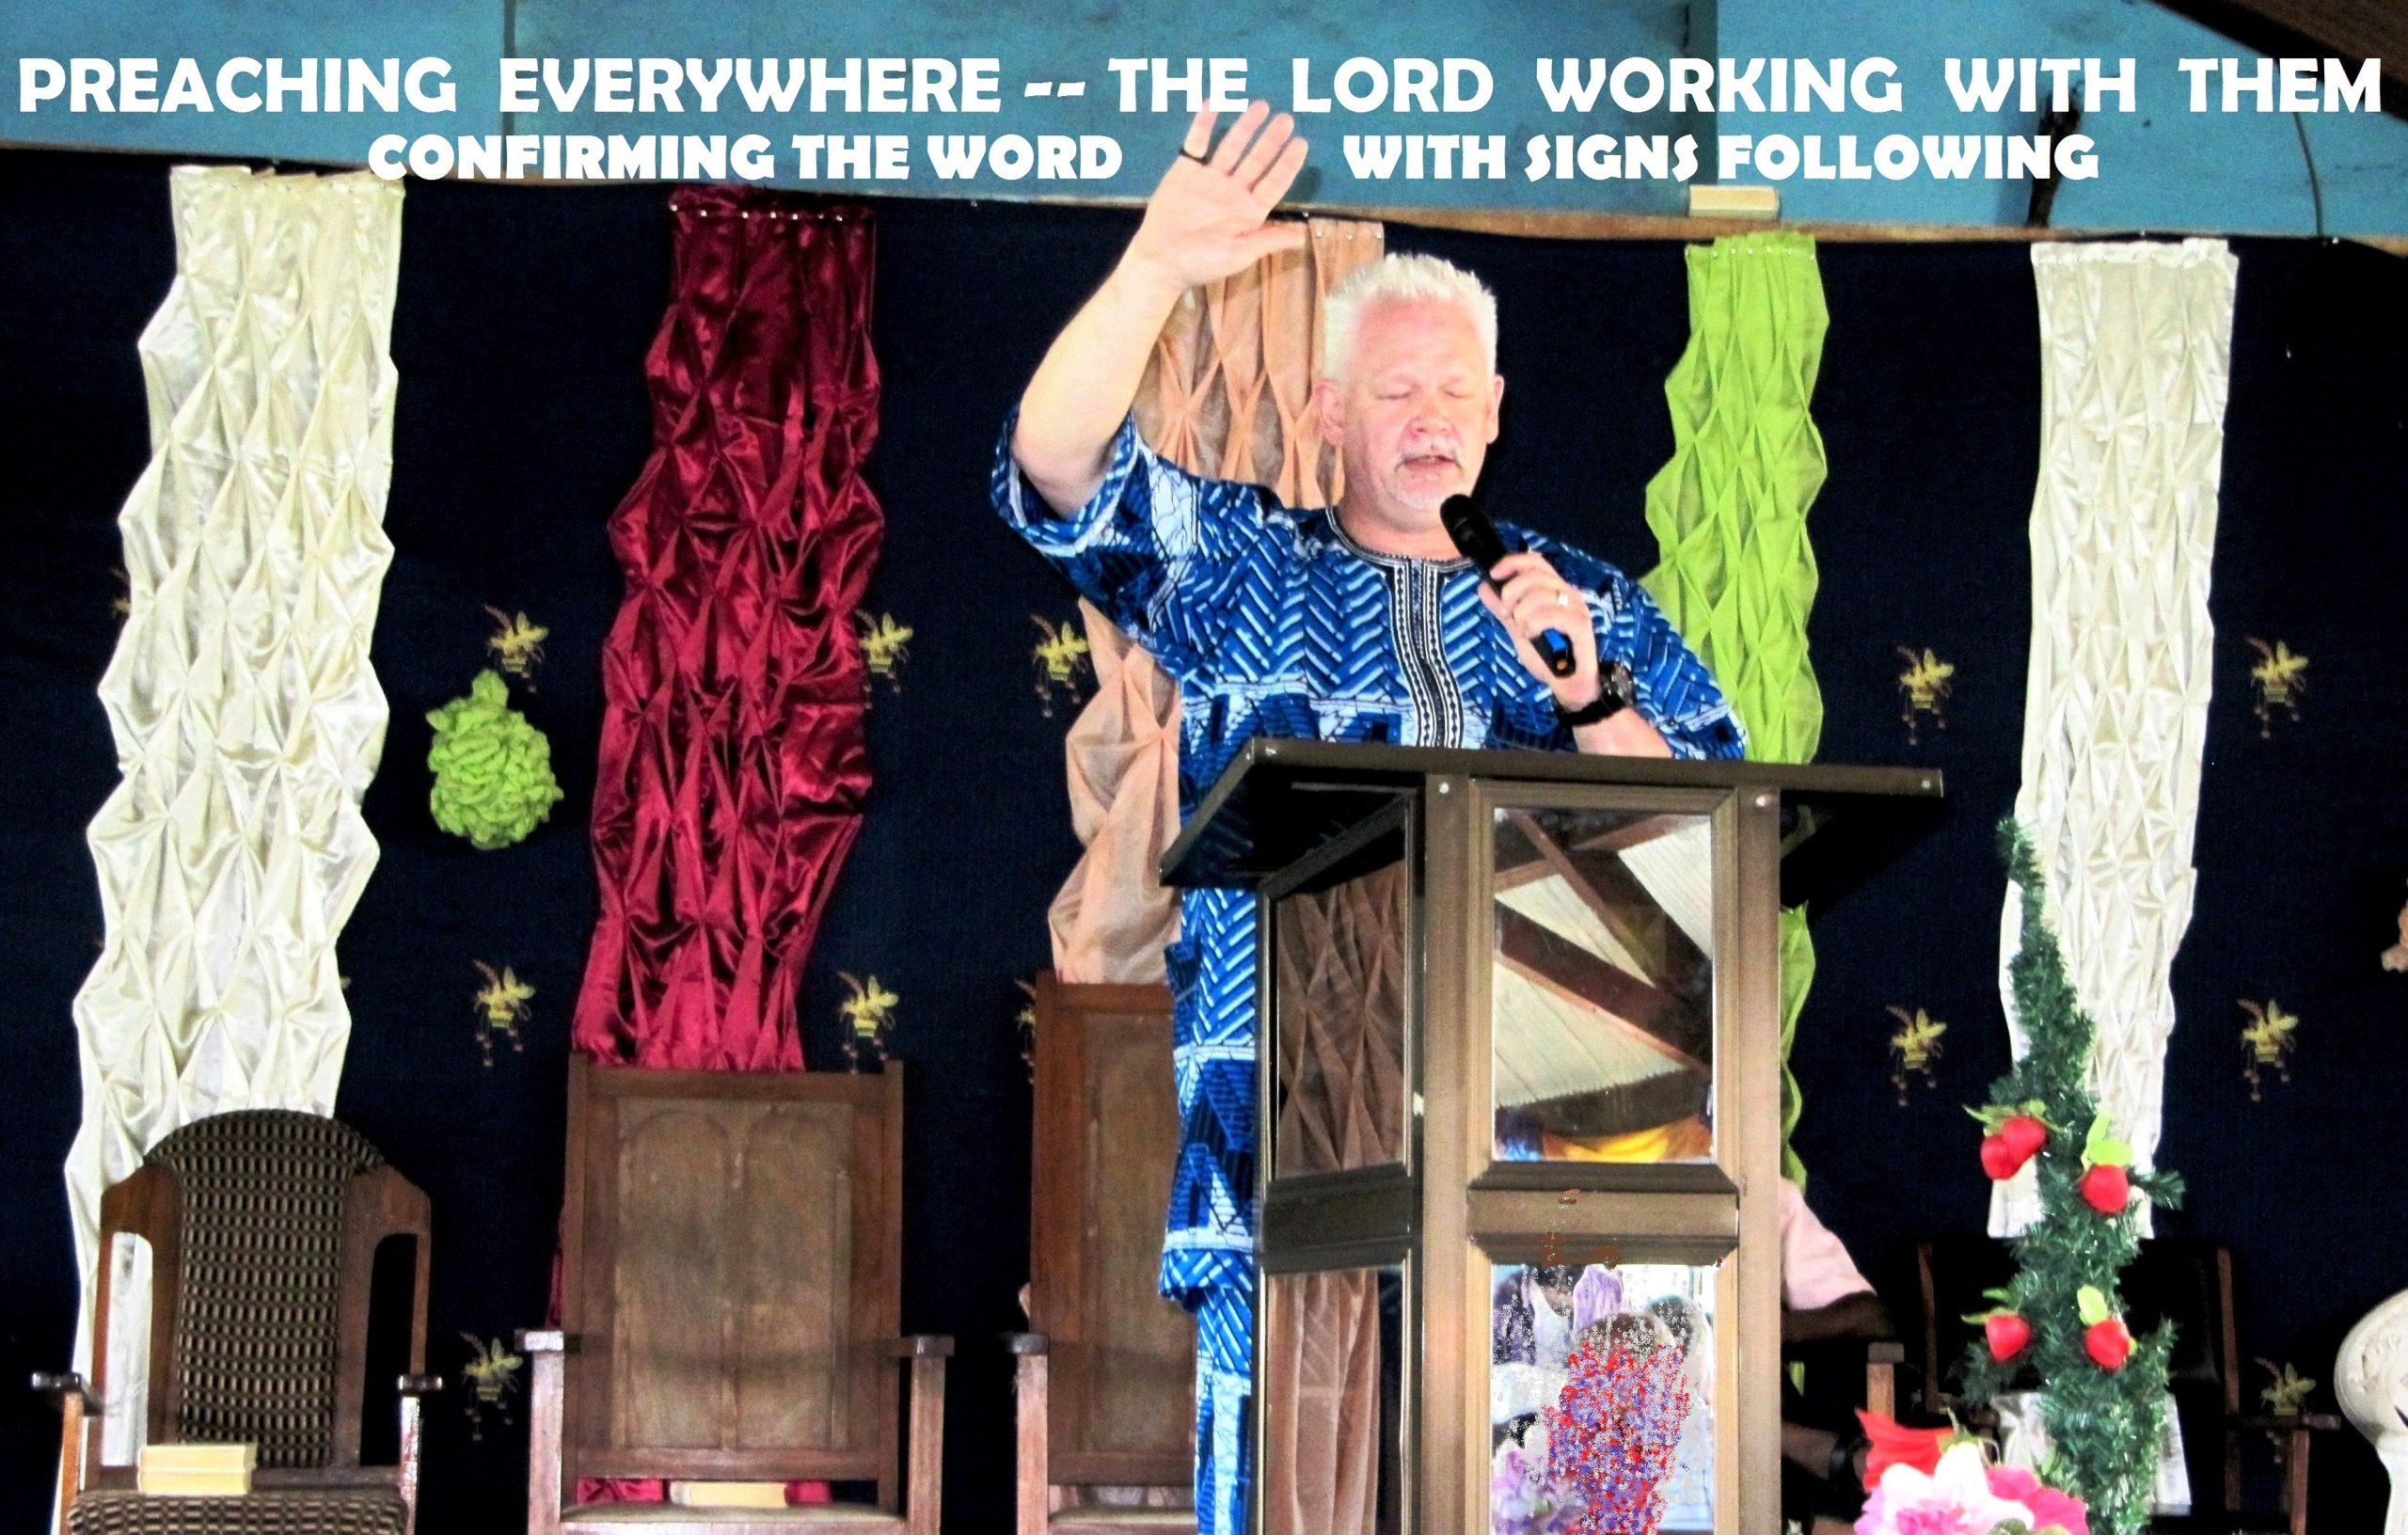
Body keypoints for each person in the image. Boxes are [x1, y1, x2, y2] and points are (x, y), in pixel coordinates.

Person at [992, 100, 1746, 1534]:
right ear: (1331, 415)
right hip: (1291, 1129)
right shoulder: (1242, 570)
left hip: (1554, 1147)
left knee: (1566, 1494)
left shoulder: (1582, 602)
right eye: (1398, 392)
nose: (1433, 418)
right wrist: (1154, 267)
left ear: (1498, 411)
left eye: (1457, 392)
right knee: (1301, 1487)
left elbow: (1710, 830)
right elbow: (1058, 468)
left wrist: (1589, 696)